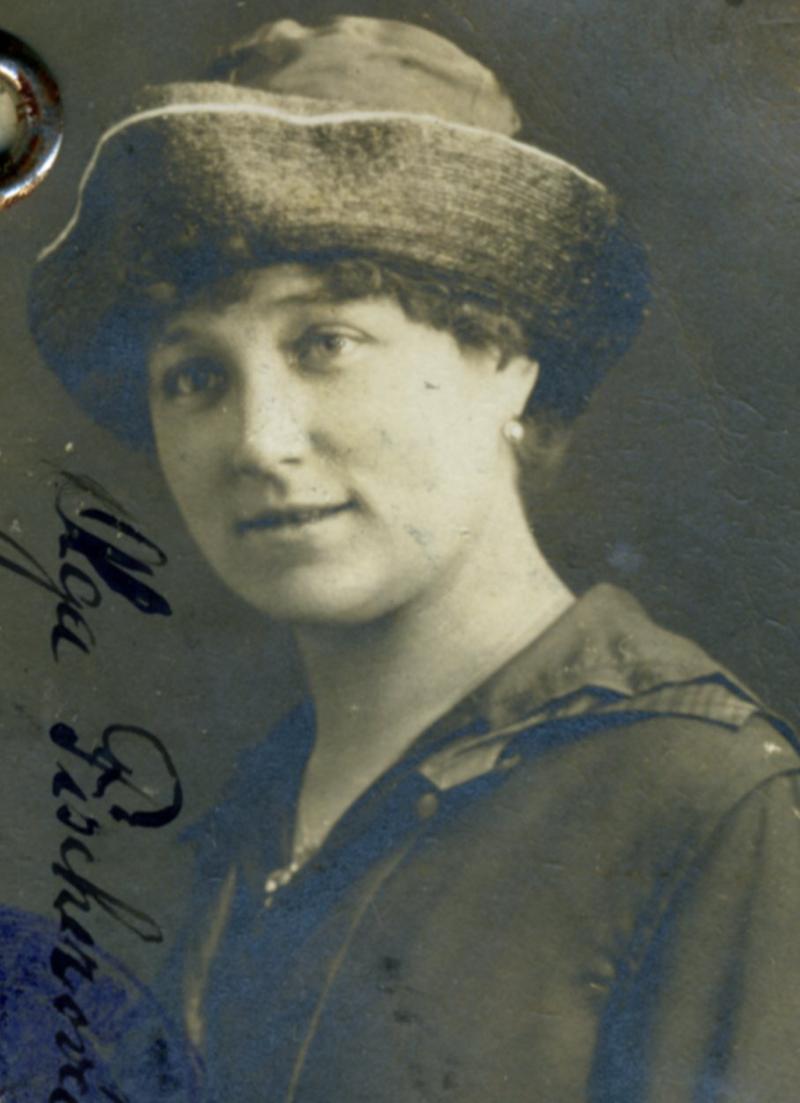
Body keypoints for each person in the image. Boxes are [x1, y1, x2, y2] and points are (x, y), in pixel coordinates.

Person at [28, 15, 800, 1103]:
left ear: (505, 356)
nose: (258, 441)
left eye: (325, 344)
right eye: (195, 377)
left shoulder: (707, 802)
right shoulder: (248, 806)